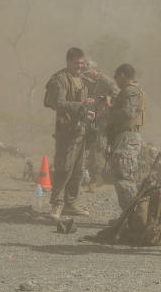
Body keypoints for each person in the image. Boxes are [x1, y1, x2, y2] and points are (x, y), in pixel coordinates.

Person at [43, 47, 94, 219]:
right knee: (64, 168)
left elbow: (82, 104)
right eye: (76, 63)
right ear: (68, 62)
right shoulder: (60, 80)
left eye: (81, 63)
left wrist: (87, 110)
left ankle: (70, 203)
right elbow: (58, 103)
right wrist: (80, 106)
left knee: (78, 170)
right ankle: (56, 205)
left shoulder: (81, 79)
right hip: (66, 131)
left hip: (80, 130)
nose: (79, 66)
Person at [103, 63, 145, 214]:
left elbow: (127, 113)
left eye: (116, 77)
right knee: (122, 176)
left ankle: (134, 216)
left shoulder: (131, 91)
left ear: (122, 75)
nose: (116, 81)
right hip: (123, 136)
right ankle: (130, 216)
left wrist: (109, 112)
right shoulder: (128, 91)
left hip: (128, 137)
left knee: (124, 176)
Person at [83, 60, 119, 191]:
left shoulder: (106, 81)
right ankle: (84, 177)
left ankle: (95, 179)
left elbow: (117, 95)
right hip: (88, 117)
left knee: (97, 149)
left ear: (94, 71)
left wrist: (106, 99)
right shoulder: (85, 80)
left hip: (101, 121)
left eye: (87, 73)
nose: (85, 75)